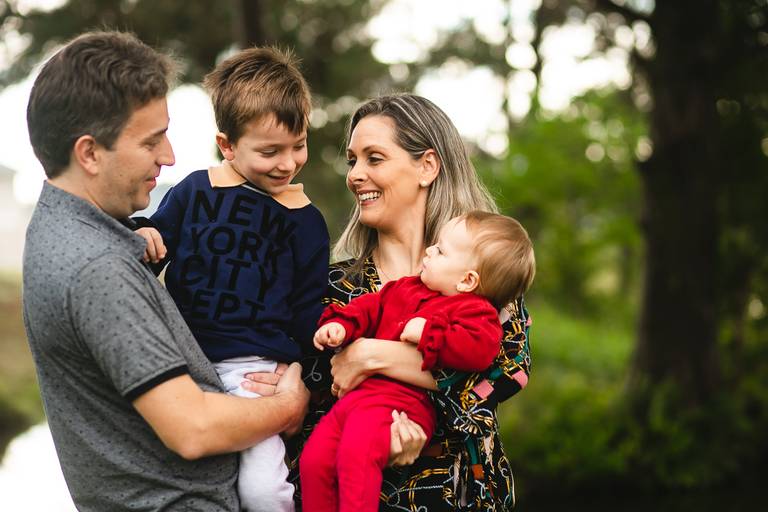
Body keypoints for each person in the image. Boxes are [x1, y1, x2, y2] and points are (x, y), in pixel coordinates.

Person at [22, 31, 310, 512]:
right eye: (151, 141)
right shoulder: (98, 268)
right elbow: (193, 429)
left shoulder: (60, 226)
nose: (169, 156)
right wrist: (289, 405)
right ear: (89, 153)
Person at [246, 93, 533, 510]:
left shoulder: (482, 279)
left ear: (427, 166)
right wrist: (293, 394)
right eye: (352, 161)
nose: (355, 175)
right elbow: (302, 394)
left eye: (374, 158)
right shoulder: (331, 287)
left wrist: (371, 355)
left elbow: (504, 375)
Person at [134, 46, 329, 511]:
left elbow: (308, 312)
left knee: (262, 491)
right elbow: (155, 244)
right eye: (269, 151)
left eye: (298, 145)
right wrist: (141, 233)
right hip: (183, 367)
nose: (287, 163)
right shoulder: (196, 191)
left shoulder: (306, 221)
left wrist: (306, 370)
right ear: (227, 145)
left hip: (254, 375)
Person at [300, 211, 535, 511]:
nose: (430, 250)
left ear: (467, 280)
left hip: (401, 405)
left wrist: (428, 333)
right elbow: (369, 307)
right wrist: (342, 325)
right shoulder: (407, 287)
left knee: (356, 454)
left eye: (441, 251)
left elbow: (481, 351)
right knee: (314, 460)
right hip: (357, 400)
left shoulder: (475, 311)